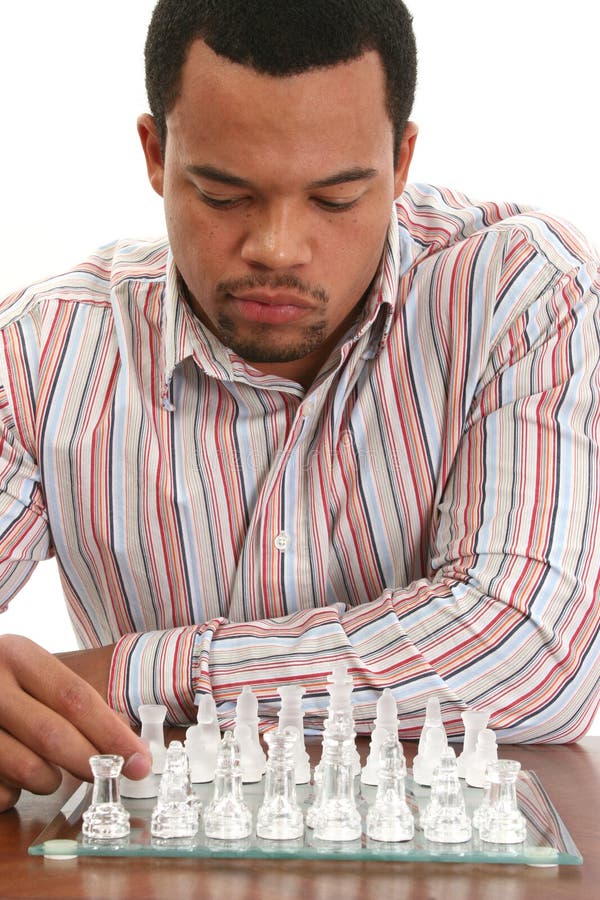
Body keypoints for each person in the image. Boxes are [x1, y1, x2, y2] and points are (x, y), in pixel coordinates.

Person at [0, 0, 599, 814]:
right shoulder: (42, 351)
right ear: (155, 153)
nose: (278, 247)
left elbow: (533, 653)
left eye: (336, 199)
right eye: (223, 195)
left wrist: (131, 673)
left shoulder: (523, 298)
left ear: (401, 158)